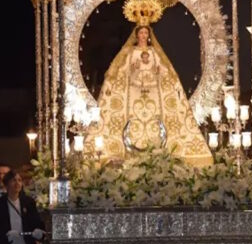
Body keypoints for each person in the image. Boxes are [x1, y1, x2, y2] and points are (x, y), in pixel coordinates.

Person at [90, 20, 212, 167]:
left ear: (149, 35)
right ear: (136, 35)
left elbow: (166, 72)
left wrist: (162, 75)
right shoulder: (130, 53)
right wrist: (131, 71)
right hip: (134, 94)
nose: (143, 35)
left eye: (145, 33)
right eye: (141, 32)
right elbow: (120, 72)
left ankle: (161, 149)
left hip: (153, 93)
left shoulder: (155, 53)